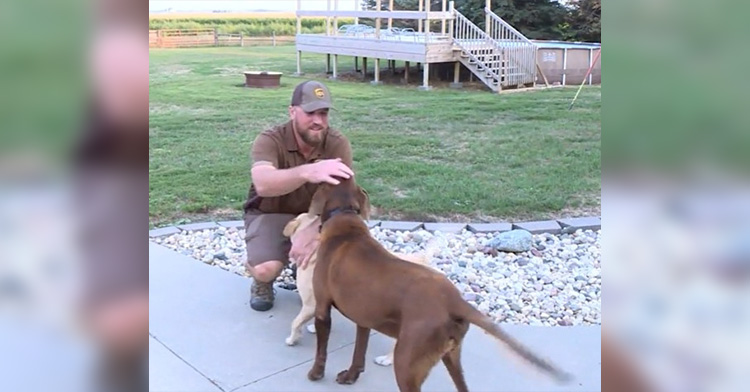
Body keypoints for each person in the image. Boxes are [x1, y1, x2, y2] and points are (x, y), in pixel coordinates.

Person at [243, 80, 355, 311]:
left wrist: (314, 230)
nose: (318, 121)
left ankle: (302, 266)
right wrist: (308, 171)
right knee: (266, 268)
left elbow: (345, 197)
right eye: (310, 113)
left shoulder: (336, 143)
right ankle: (260, 278)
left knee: (350, 267)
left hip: (316, 216)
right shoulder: (270, 139)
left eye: (323, 113)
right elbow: (263, 184)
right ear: (292, 111)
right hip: (271, 212)